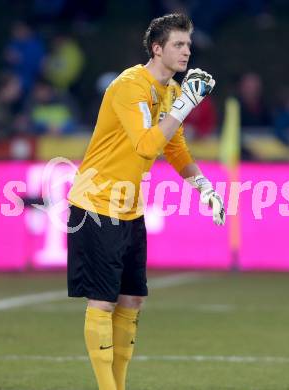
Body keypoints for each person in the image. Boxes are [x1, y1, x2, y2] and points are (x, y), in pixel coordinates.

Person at [67, 13, 225, 390]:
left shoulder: (170, 92)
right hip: (97, 204)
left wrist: (202, 185)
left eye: (188, 44)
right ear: (157, 48)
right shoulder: (130, 86)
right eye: (178, 44)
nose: (187, 51)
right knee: (103, 303)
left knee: (133, 299)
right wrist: (187, 102)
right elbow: (146, 147)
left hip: (129, 206)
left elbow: (173, 147)